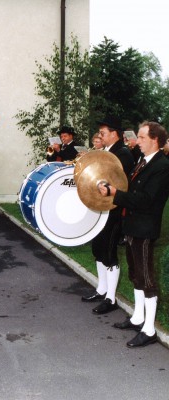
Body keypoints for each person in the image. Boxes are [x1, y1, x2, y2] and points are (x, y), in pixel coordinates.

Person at [98, 121, 169, 347]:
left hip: (144, 229)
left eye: (141, 137)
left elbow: (145, 200)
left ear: (155, 140)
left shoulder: (162, 166)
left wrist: (114, 193)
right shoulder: (143, 160)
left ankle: (149, 330)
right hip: (132, 226)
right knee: (136, 275)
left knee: (146, 279)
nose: (136, 141)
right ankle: (138, 317)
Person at [81, 116, 134, 314]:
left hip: (114, 211)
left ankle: (111, 298)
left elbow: (119, 185)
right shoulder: (109, 151)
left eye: (103, 133)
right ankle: (102, 289)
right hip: (102, 208)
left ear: (114, 133)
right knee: (98, 249)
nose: (100, 136)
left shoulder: (123, 154)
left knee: (109, 252)